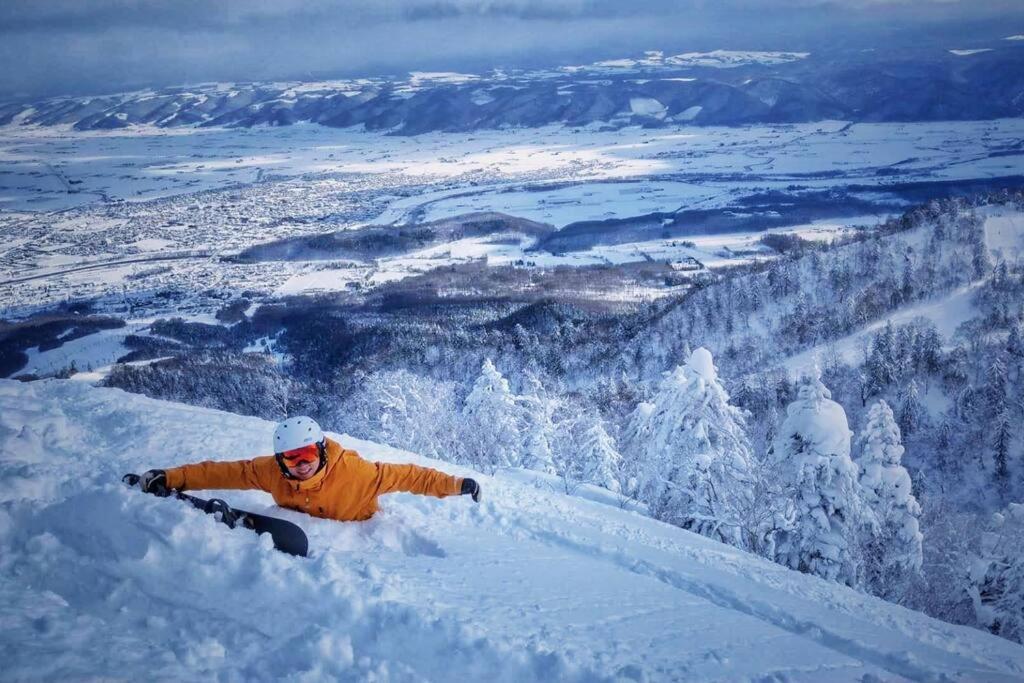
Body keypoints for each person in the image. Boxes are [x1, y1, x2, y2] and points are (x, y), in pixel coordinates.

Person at [138, 416, 481, 522]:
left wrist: (456, 484)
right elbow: (223, 472)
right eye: (291, 458)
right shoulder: (270, 472)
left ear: (320, 450)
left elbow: (411, 476)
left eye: (307, 454)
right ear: (280, 461)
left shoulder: (356, 474)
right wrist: (172, 477)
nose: (301, 464)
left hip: (357, 540)